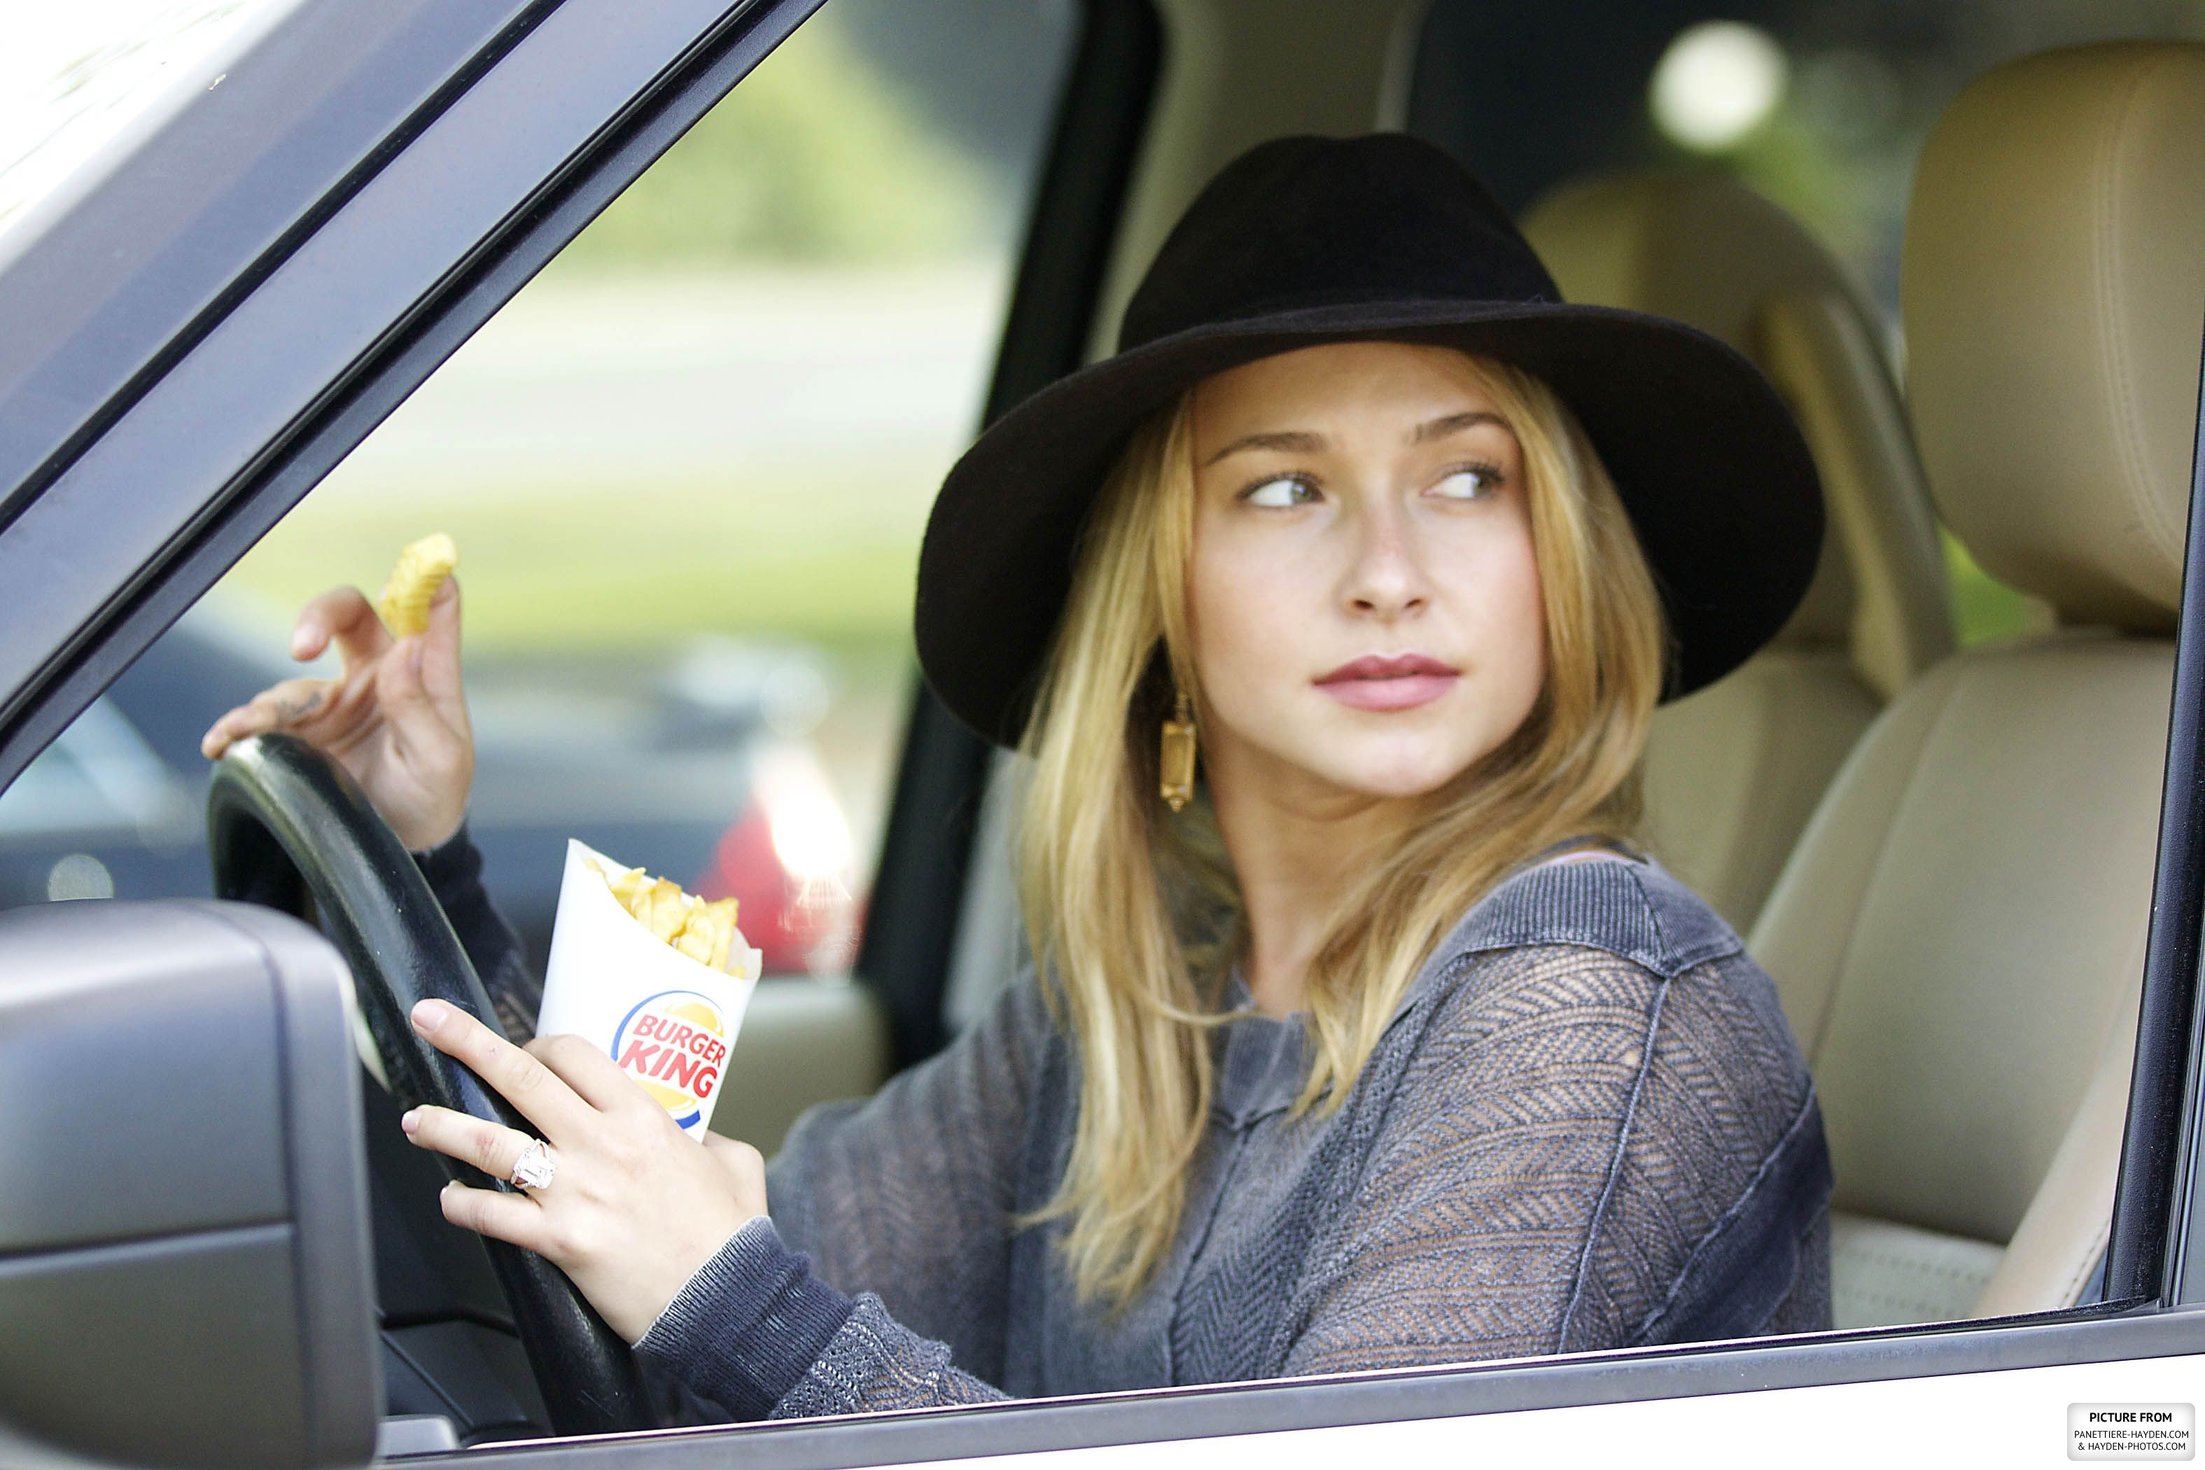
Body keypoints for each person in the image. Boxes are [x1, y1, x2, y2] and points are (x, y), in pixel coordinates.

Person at [201, 134, 1834, 1420]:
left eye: (1467, 478)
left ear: (1556, 546)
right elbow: (639, 1265)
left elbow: (730, 1298)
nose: (1390, 571)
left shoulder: (1592, 990)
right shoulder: (1139, 1015)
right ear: (1158, 593)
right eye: (1281, 492)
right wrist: (425, 857)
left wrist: (737, 1299)